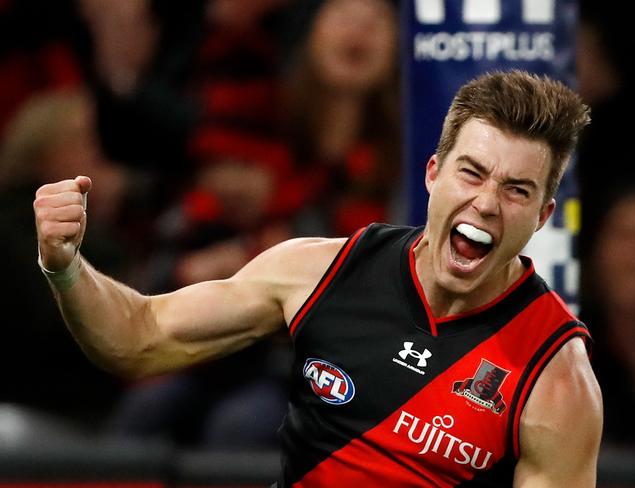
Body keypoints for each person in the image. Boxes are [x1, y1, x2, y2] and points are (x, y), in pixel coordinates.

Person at [33, 70, 603, 487]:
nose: (486, 203)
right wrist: (66, 266)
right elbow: (139, 338)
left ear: (543, 216)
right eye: (472, 173)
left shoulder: (556, 379)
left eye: (516, 190)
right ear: (433, 174)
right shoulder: (320, 271)